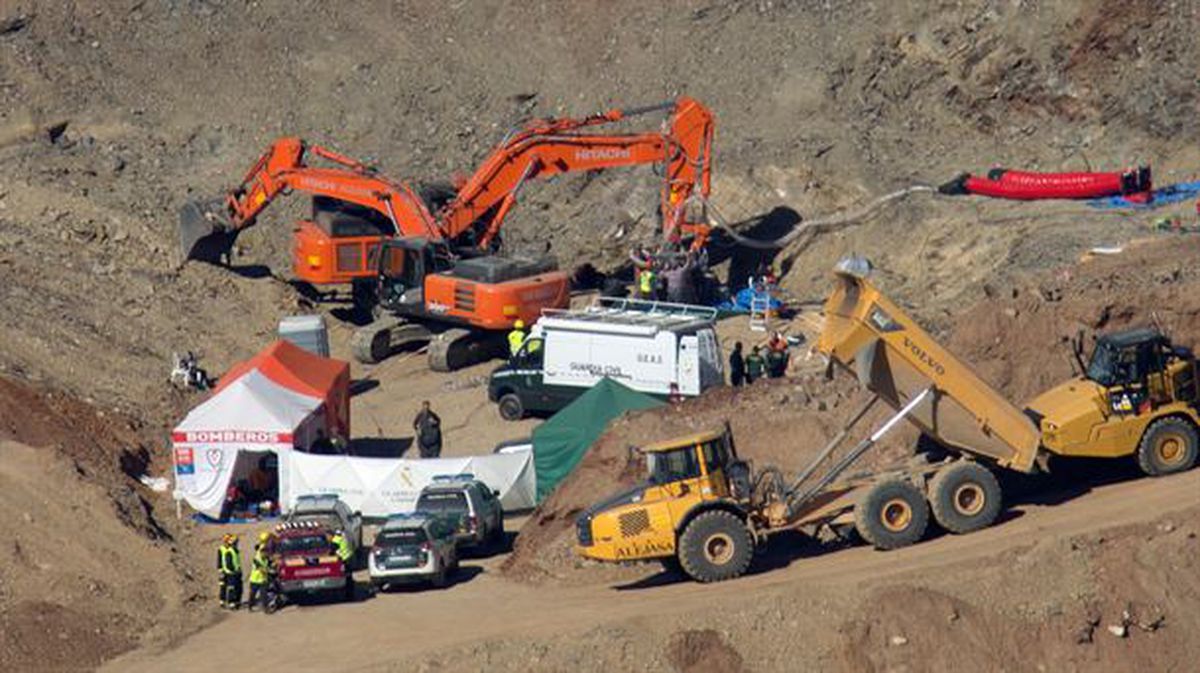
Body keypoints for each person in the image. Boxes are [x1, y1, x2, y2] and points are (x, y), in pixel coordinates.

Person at [217, 533, 242, 609]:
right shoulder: (222, 549)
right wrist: (221, 569)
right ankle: (223, 601)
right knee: (224, 587)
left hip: (232, 571)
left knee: (232, 587)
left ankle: (231, 601)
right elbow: (220, 560)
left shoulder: (234, 550)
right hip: (227, 572)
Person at [247, 533, 271, 611]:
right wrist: (269, 571)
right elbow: (261, 568)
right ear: (261, 552)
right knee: (252, 594)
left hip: (263, 580)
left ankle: (265, 608)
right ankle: (250, 606)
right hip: (255, 580)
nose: (266, 554)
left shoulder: (266, 557)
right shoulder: (257, 559)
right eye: (265, 553)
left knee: (264, 594)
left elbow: (269, 562)